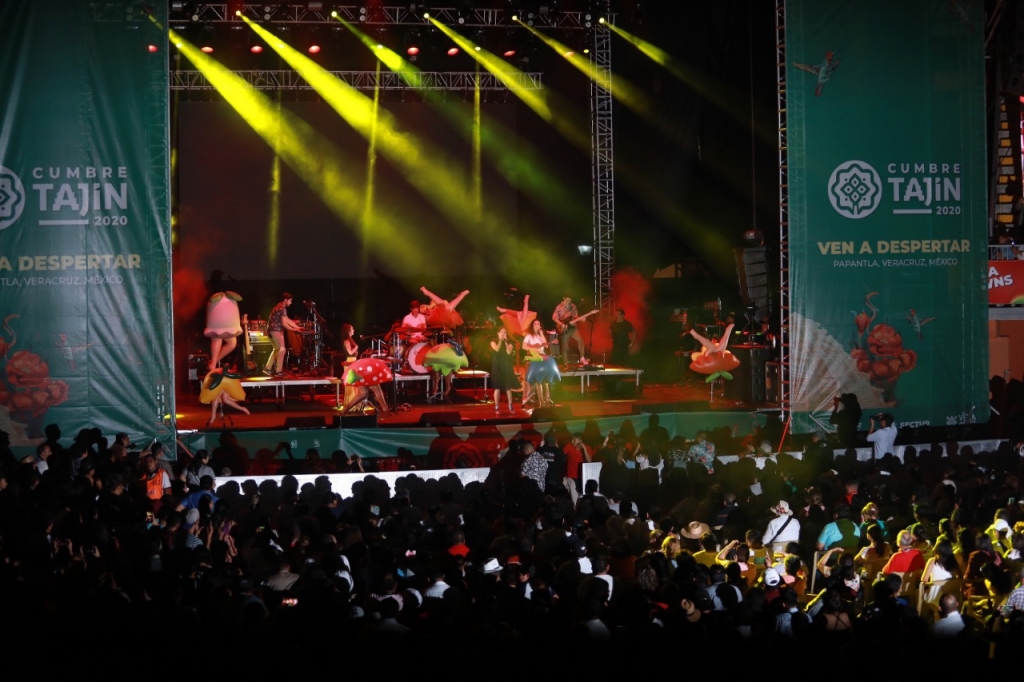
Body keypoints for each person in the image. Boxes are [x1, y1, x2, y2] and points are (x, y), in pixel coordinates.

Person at [265, 292, 304, 376]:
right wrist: (294, 329)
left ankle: (268, 368)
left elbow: (287, 319)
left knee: (277, 349)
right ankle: (277, 371)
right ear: (285, 300)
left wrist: (297, 327)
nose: (291, 303)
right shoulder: (282, 308)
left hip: (272, 331)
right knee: (282, 349)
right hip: (275, 330)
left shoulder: (278, 307)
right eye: (290, 301)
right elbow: (284, 323)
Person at [552, 294, 588, 364]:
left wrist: (581, 319)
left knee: (580, 340)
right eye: (567, 300)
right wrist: (561, 324)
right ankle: (565, 363)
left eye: (570, 300)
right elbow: (554, 317)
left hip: (572, 326)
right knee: (565, 346)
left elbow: (576, 316)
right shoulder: (559, 307)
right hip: (564, 328)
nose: (568, 302)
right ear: (563, 298)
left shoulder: (573, 306)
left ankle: (582, 357)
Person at [522, 319, 550, 407]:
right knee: (538, 380)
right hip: (535, 358)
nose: (537, 325)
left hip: (542, 358)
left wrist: (542, 335)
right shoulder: (529, 335)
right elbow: (524, 346)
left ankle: (547, 400)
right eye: (535, 324)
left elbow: (546, 345)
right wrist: (533, 348)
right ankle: (541, 402)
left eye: (538, 324)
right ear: (532, 325)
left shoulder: (540, 336)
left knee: (545, 381)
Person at [490, 327, 518, 414]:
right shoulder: (493, 341)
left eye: (505, 332)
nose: (503, 334)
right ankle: (497, 407)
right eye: (502, 332)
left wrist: (505, 342)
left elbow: (509, 352)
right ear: (498, 333)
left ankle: (510, 407)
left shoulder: (509, 342)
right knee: (497, 387)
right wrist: (500, 341)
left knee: (508, 387)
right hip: (497, 366)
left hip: (506, 365)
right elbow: (497, 349)